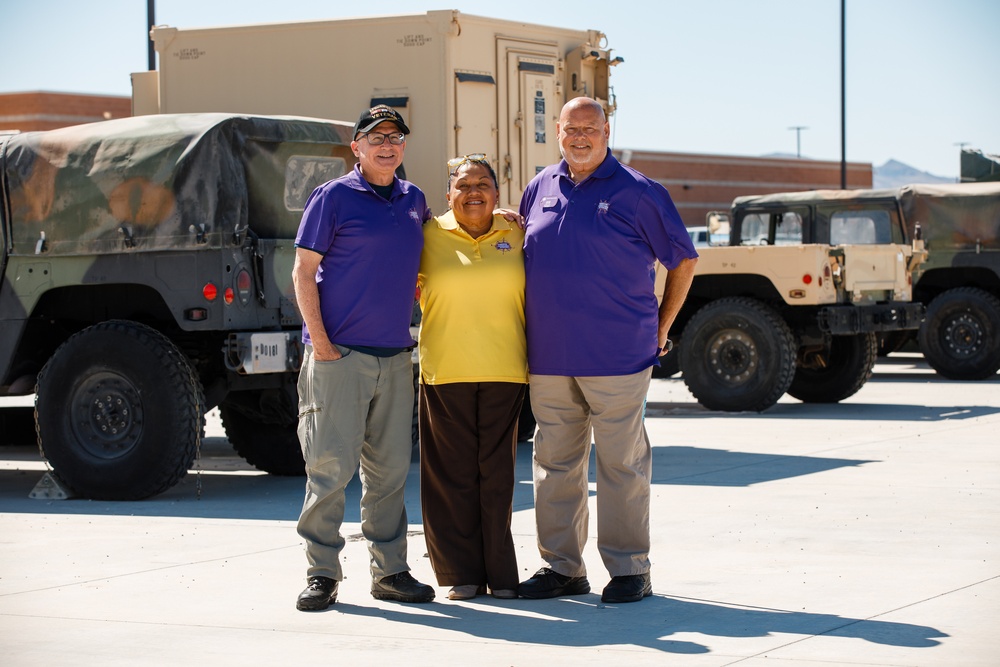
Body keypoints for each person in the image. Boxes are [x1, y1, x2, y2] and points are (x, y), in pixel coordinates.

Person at [516, 97, 699, 604]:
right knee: (554, 466)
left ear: (606, 131)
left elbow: (682, 262)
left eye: (589, 128)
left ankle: (629, 569)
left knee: (622, 466)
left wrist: (662, 325)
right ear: (557, 131)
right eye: (570, 128)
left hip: (618, 356)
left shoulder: (640, 193)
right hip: (549, 357)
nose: (579, 137)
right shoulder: (540, 187)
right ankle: (562, 568)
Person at [292, 104, 436, 611]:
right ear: (356, 147)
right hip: (340, 357)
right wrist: (323, 344)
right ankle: (322, 574)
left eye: (395, 136)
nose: (387, 144)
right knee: (329, 468)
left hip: (395, 356)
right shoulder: (332, 197)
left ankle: (391, 571)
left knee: (390, 472)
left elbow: (442, 250)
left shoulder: (414, 199)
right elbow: (302, 272)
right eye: (375, 137)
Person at [416, 154, 526, 601]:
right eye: (463, 185)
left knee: (497, 477)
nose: (473, 191)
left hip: (507, 369)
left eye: (483, 183)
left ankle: (501, 576)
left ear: (498, 195)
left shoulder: (518, 232)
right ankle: (461, 574)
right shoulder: (426, 235)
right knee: (451, 477)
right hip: (445, 370)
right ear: (448, 196)